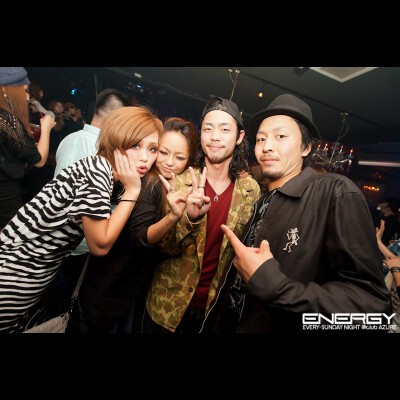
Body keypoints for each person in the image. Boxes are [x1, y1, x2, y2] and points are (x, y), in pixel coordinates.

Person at [204, 93, 391, 333]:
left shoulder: (334, 192)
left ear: (306, 147)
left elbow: (373, 310)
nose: (267, 146)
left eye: (280, 136)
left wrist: (273, 286)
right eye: (261, 139)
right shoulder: (261, 201)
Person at [0, 106, 163, 333]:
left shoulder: (113, 179)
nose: (145, 157)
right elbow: (100, 244)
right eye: (135, 145)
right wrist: (133, 191)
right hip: (14, 272)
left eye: (153, 149)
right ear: (116, 141)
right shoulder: (98, 169)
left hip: (33, 275)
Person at [145, 96, 260, 333]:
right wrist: (190, 218)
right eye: (208, 129)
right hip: (168, 306)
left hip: (215, 310)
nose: (215, 136)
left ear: (239, 137)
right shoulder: (178, 183)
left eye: (224, 129)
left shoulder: (250, 191)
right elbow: (163, 248)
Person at [78, 117, 198, 333]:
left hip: (125, 288)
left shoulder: (166, 184)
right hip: (110, 290)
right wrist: (172, 218)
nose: (170, 162)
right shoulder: (148, 182)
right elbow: (139, 238)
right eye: (162, 152)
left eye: (180, 157)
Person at [44, 89, 130, 331]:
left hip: (56, 243)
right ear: (114, 118)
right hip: (77, 247)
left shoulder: (70, 139)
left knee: (53, 308)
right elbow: (81, 205)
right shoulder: (98, 149)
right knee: (62, 314)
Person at [0, 67, 55, 230]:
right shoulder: (7, 120)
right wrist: (46, 128)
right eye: (24, 91)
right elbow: (39, 160)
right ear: (4, 88)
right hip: (5, 197)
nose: (26, 97)